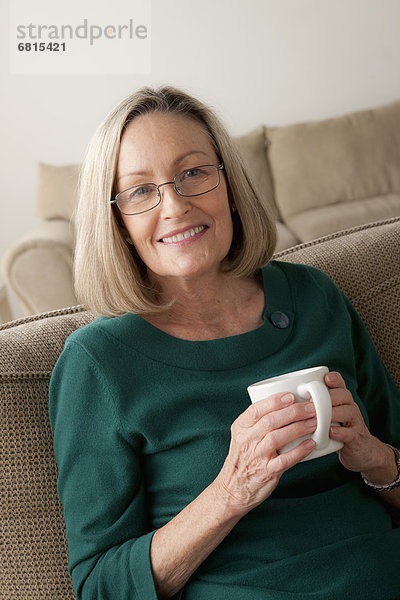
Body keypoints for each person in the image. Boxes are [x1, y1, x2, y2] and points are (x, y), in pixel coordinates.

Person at [49, 86, 400, 600]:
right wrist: (230, 492)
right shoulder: (97, 364)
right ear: (119, 224)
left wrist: (376, 459)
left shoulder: (313, 296)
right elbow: (101, 586)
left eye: (193, 173)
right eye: (140, 191)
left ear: (229, 185)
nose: (175, 205)